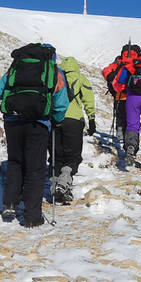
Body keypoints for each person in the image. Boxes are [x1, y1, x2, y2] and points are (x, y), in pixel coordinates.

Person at [0, 42, 69, 227]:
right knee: (35, 169)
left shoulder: (17, 66)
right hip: (39, 122)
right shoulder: (54, 71)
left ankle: (10, 203)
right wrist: (57, 120)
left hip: (13, 121)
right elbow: (61, 102)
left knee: (15, 161)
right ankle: (32, 216)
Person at [52, 56, 96, 204]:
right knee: (73, 156)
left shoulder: (56, 76)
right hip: (74, 121)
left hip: (56, 119)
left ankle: (56, 185)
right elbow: (88, 99)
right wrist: (91, 118)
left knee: (57, 155)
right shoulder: (81, 78)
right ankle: (64, 185)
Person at [102, 43, 140, 145]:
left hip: (119, 95)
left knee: (120, 116)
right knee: (133, 119)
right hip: (135, 97)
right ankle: (131, 139)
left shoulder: (119, 61)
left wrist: (112, 77)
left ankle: (120, 134)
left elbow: (106, 71)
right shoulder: (138, 62)